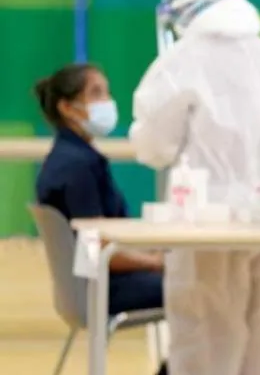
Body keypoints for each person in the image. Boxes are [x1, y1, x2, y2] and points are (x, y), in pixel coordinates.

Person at [129, 0, 260, 375]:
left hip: (204, 219)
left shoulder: (180, 62)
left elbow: (153, 145)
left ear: (177, 14)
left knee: (205, 333)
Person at [34, 64, 167, 374]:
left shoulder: (70, 157)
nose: (107, 101)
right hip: (102, 287)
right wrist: (155, 262)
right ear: (67, 107)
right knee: (200, 290)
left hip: (89, 285)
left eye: (107, 93)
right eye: (96, 93)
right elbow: (95, 248)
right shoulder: (77, 167)